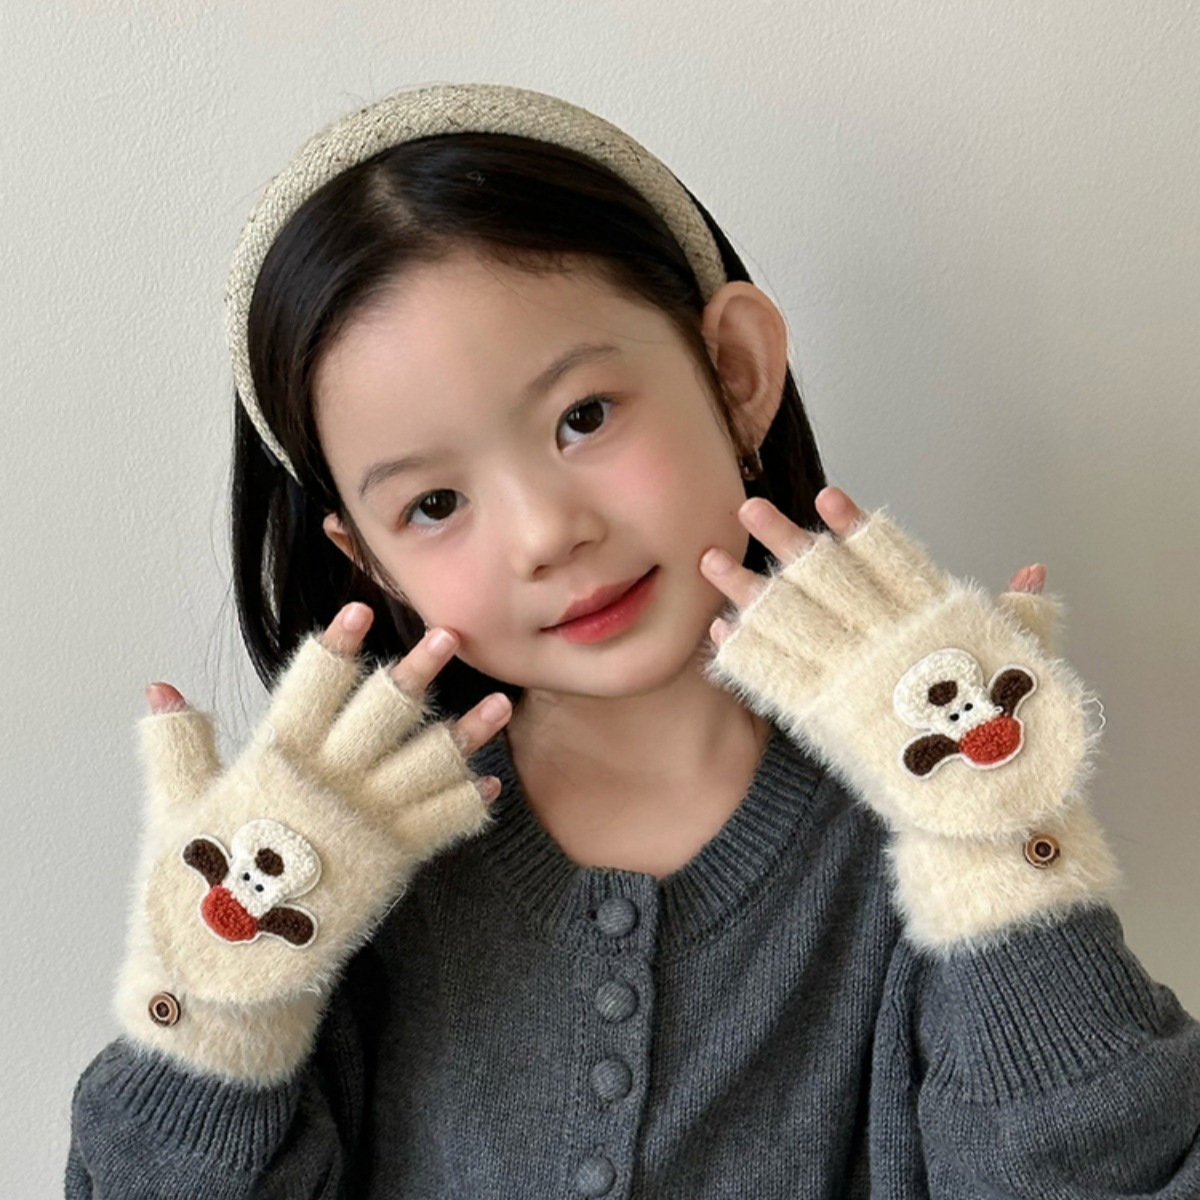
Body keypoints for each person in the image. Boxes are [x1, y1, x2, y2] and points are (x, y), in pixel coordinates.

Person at [66, 82, 1200, 1198]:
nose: (547, 535)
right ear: (368, 560)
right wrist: (215, 1004)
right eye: (433, 504)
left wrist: (1001, 849)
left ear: (736, 372)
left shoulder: (922, 829)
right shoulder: (337, 875)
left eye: (583, 417)